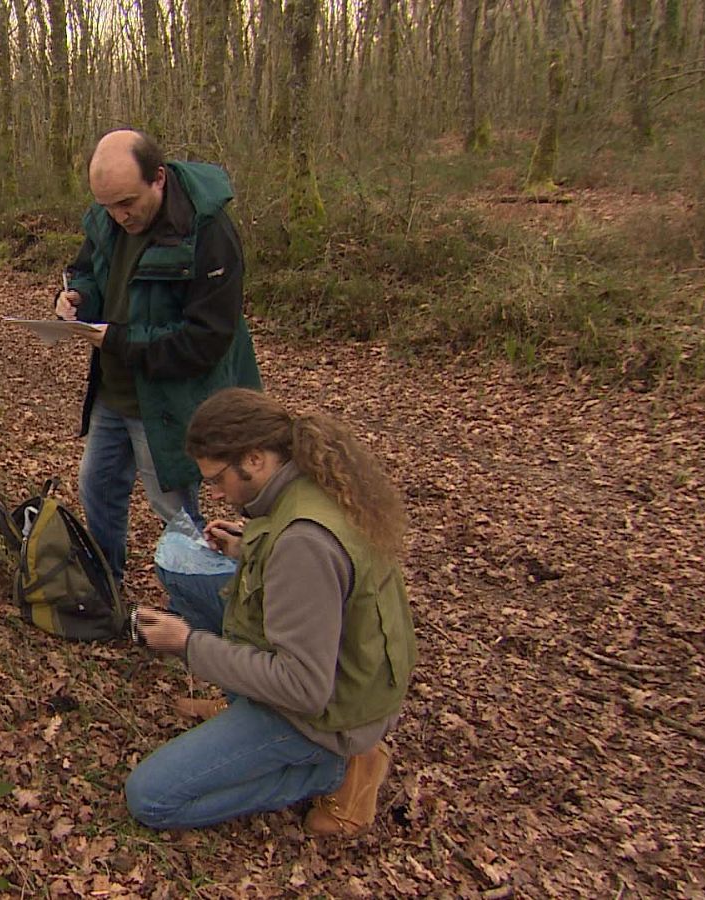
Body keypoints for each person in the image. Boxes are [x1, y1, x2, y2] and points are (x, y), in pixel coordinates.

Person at [126, 388, 417, 838]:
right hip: (349, 676)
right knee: (182, 577)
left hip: (328, 716)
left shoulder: (303, 543)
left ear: (256, 458)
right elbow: (324, 585)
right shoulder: (309, 483)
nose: (217, 493)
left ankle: (334, 771)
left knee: (151, 798)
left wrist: (187, 645)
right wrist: (247, 547)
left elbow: (302, 688)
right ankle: (245, 708)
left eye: (219, 479)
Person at [54, 128, 262, 594]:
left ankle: (206, 613)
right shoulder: (107, 217)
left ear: (159, 179)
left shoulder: (208, 233)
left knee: (177, 514)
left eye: (127, 203)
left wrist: (121, 340)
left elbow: (206, 339)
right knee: (98, 487)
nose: (118, 215)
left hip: (169, 401)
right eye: (107, 205)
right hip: (114, 392)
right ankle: (106, 589)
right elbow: (87, 270)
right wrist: (75, 298)